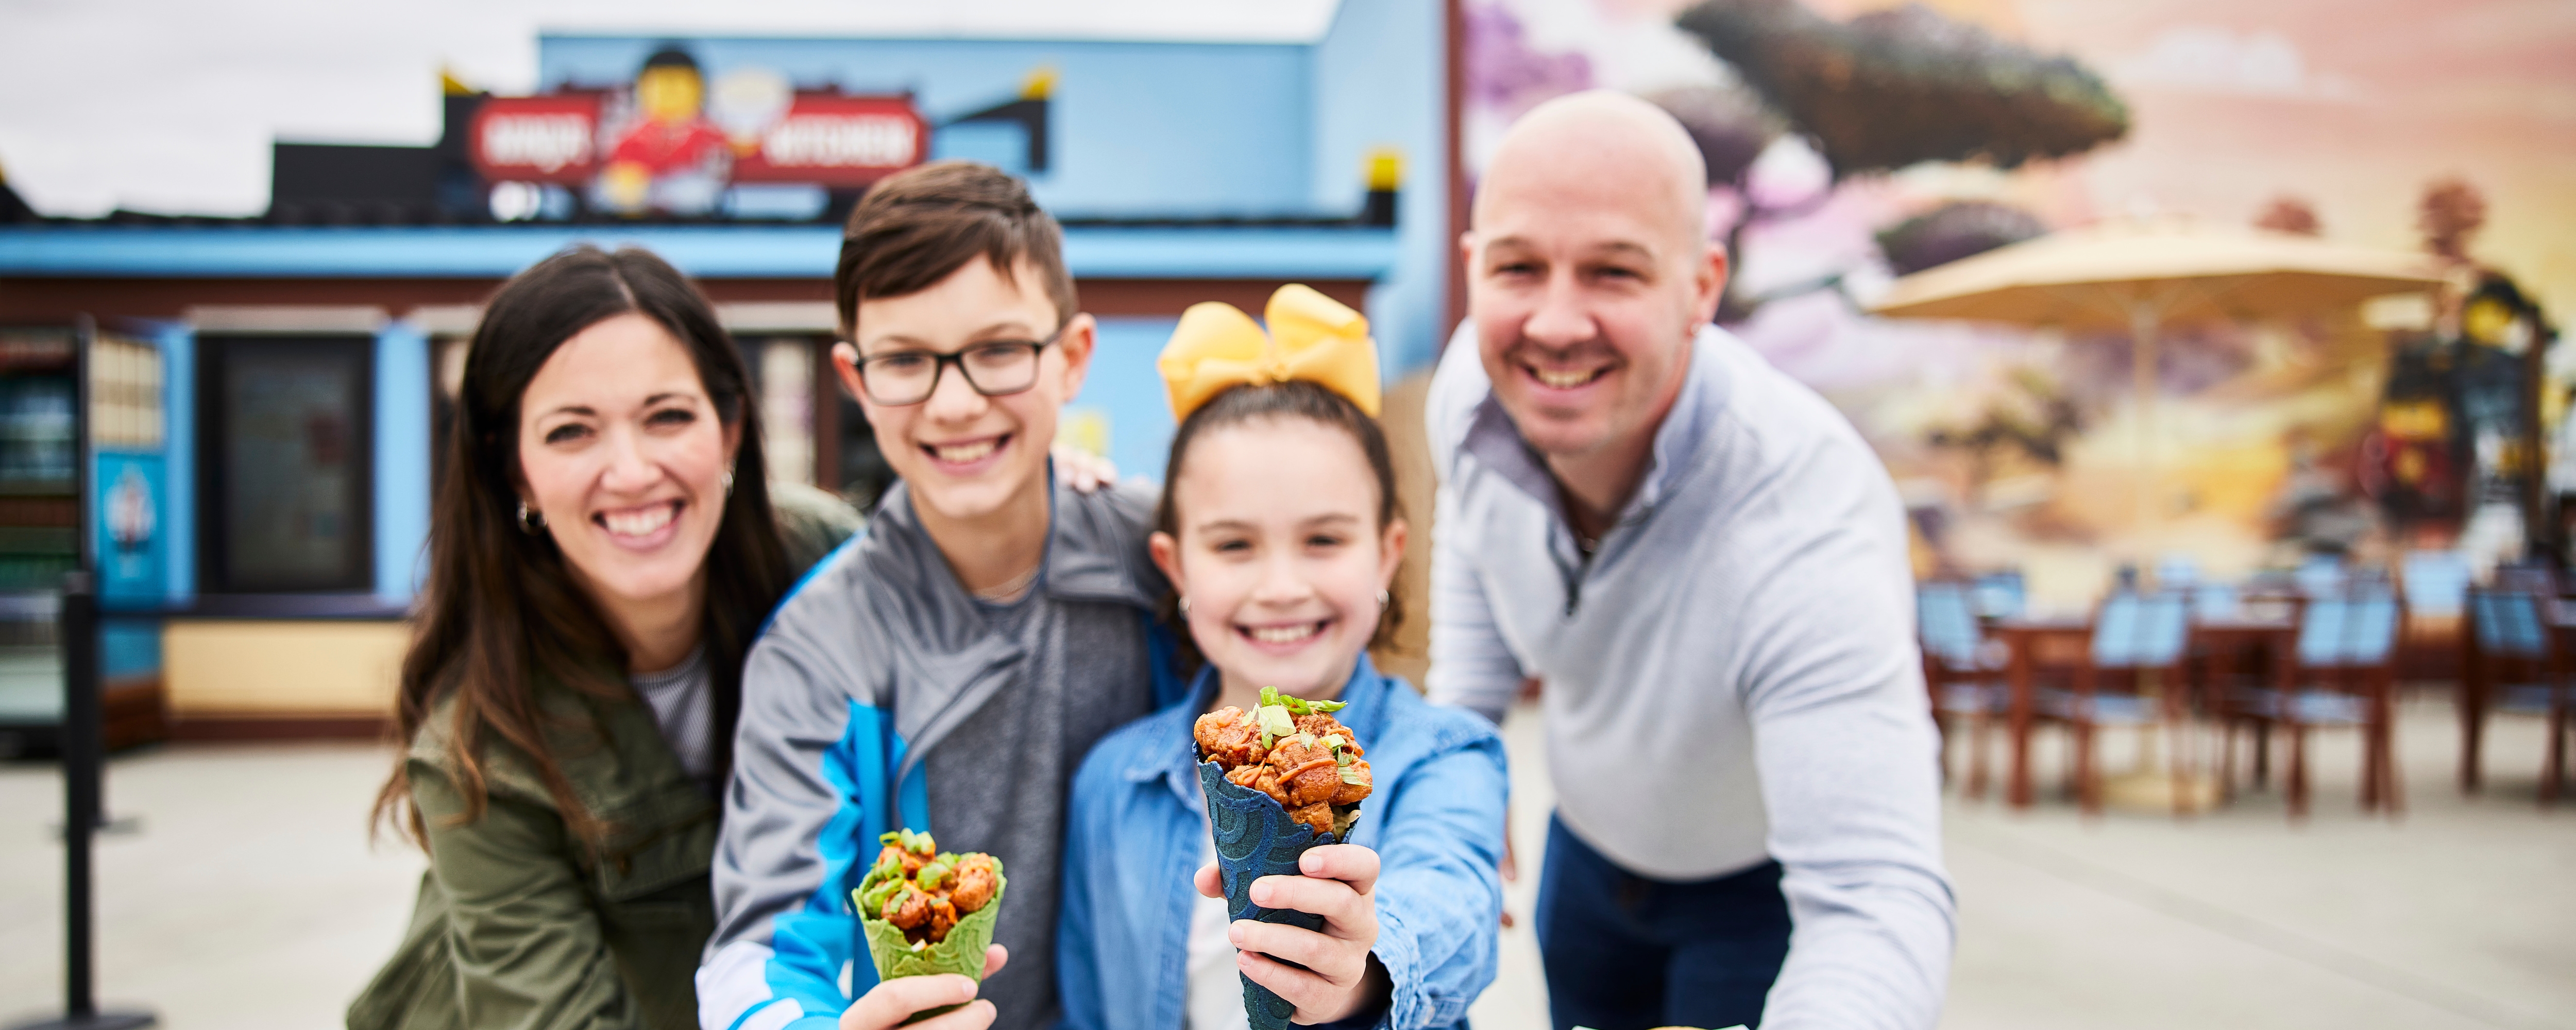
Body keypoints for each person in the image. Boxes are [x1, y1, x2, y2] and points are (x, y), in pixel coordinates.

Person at [1425, 90, 1955, 1030]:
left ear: (1703, 287)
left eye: (1613, 273)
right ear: (1475, 268)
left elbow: (1875, 899)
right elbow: (1475, 538)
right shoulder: (1472, 384)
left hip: (1755, 895)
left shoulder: (1804, 519)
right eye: (1518, 268)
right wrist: (1463, 747)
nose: (1553, 323)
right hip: (1585, 856)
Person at [699, 161, 1180, 1030]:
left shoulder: (1166, 556)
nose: (954, 402)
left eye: (999, 351)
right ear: (855, 383)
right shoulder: (817, 648)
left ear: (1071, 359)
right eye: (907, 361)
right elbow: (758, 954)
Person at [349, 245, 861, 1030]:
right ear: (514, 469)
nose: (630, 472)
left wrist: (1047, 492)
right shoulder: (481, 752)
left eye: (668, 417)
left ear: (728, 430)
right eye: (571, 433)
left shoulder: (822, 561)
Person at [1058, 287, 1508, 1030]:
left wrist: (1362, 965)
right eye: (1234, 545)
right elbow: (1088, 1002)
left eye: (1324, 540)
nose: (1281, 587)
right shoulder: (1113, 781)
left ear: (1388, 555)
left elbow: (1455, 903)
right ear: (1175, 568)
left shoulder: (1448, 754)